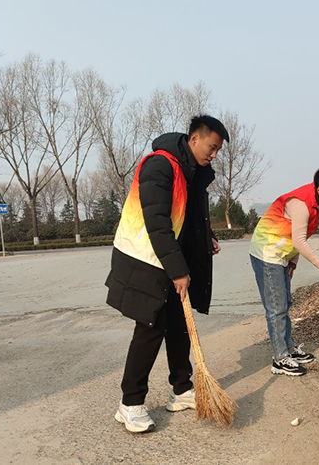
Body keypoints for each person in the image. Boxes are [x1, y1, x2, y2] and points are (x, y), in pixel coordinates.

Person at [105, 115, 229, 433]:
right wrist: (178, 272)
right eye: (212, 148)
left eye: (217, 151)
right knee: (150, 329)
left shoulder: (190, 171)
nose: (213, 155)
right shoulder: (159, 166)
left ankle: (181, 389)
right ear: (194, 139)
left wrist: (207, 237)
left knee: (178, 326)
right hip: (144, 259)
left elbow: (187, 214)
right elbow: (157, 222)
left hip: (168, 258)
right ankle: (130, 404)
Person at [249, 168, 319, 376]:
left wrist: (292, 264)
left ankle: (289, 348)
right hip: (267, 254)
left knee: (284, 304)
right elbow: (299, 241)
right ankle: (280, 358)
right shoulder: (301, 204)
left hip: (281, 255)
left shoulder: (314, 204)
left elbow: (300, 236)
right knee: (276, 307)